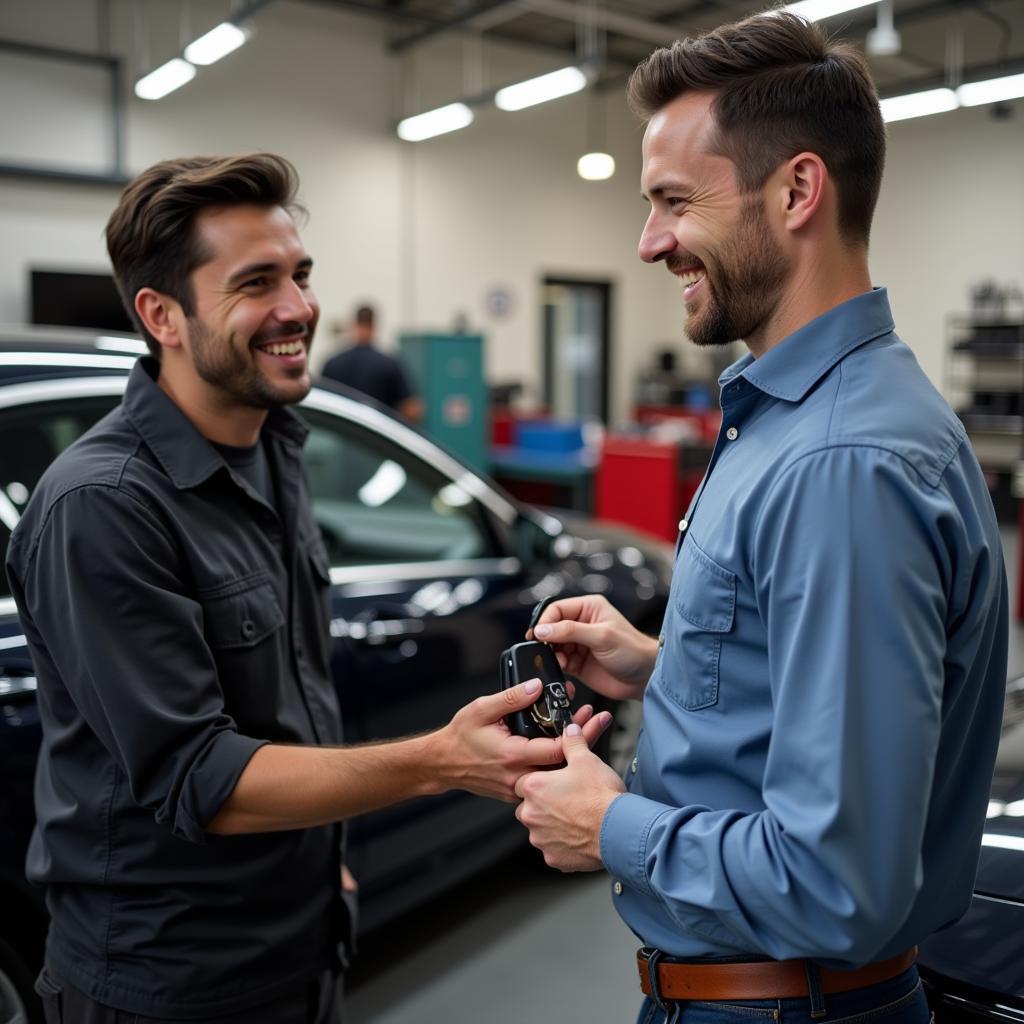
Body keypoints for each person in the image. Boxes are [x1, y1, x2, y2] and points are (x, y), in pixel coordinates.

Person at [4, 153, 609, 1024]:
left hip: (303, 939)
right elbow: (197, 776)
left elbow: (287, 692)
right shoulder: (102, 507)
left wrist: (325, 856)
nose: (298, 308)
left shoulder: (276, 442)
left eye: (300, 274)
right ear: (161, 315)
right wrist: (437, 762)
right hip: (169, 987)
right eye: (256, 282)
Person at [513, 13, 1008, 1024]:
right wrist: (667, 661)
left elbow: (837, 881)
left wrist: (611, 825)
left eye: (671, 202)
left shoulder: (843, 466)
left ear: (795, 191)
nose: (649, 241)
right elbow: (828, 689)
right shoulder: (793, 417)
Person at [319, 304, 423, 421]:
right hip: (376, 434)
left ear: (354, 324)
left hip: (340, 432)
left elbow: (321, 401)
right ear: (374, 325)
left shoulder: (333, 363)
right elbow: (412, 410)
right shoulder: (389, 364)